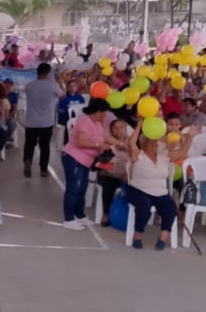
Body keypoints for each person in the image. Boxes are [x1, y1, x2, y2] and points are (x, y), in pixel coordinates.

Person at [61, 98, 115, 230]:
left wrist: (119, 144)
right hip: (74, 158)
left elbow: (106, 137)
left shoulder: (98, 121)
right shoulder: (85, 120)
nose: (106, 116)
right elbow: (81, 142)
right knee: (74, 188)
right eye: (104, 113)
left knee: (82, 188)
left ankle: (80, 215)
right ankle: (68, 219)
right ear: (98, 112)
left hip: (85, 161)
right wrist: (99, 145)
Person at [125, 122, 177, 250]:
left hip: (160, 192)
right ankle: (137, 236)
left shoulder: (163, 157)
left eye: (156, 142)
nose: (155, 144)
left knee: (171, 207)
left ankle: (162, 238)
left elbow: (182, 150)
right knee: (144, 207)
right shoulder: (138, 155)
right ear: (143, 144)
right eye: (151, 142)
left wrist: (188, 137)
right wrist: (139, 124)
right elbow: (131, 143)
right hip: (138, 190)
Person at [23, 63, 64, 178]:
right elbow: (63, 96)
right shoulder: (53, 85)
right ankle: (43, 170)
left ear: (37, 72)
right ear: (49, 73)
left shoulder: (29, 85)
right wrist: (60, 82)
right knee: (45, 146)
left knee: (29, 145)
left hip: (31, 122)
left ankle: (27, 160)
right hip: (46, 122)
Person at [96, 118, 130, 226]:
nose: (119, 130)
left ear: (126, 129)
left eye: (122, 127)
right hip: (108, 174)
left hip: (125, 175)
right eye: (115, 128)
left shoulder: (131, 142)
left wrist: (127, 174)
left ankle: (131, 215)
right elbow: (102, 163)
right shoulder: (107, 142)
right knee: (109, 184)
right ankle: (106, 213)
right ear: (111, 130)